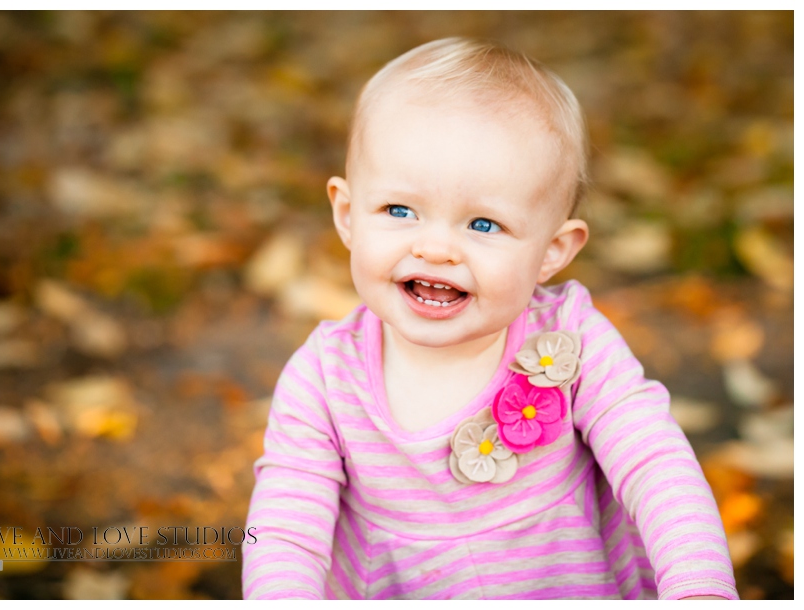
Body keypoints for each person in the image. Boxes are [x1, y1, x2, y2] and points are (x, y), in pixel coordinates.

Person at [241, 37, 737, 600]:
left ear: (553, 249)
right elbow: (282, 529)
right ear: (349, 215)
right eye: (400, 210)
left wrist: (700, 588)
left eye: (481, 225)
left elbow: (654, 462)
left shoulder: (568, 341)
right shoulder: (325, 379)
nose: (435, 249)